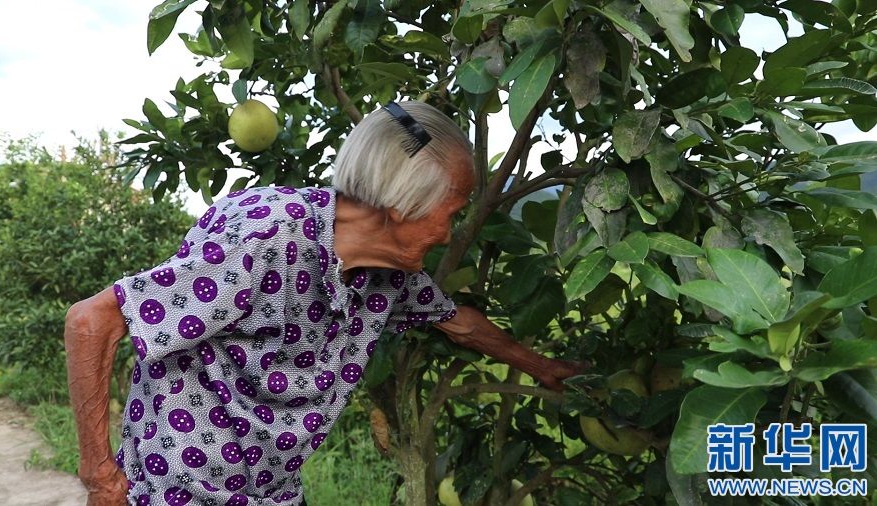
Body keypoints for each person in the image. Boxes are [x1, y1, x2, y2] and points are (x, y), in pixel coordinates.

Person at [65, 101, 585, 506]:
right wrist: (102, 478)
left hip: (271, 490)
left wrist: (542, 367)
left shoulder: (386, 273)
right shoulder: (264, 238)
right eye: (449, 213)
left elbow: (458, 323)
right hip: (179, 487)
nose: (449, 234)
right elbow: (92, 321)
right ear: (404, 205)